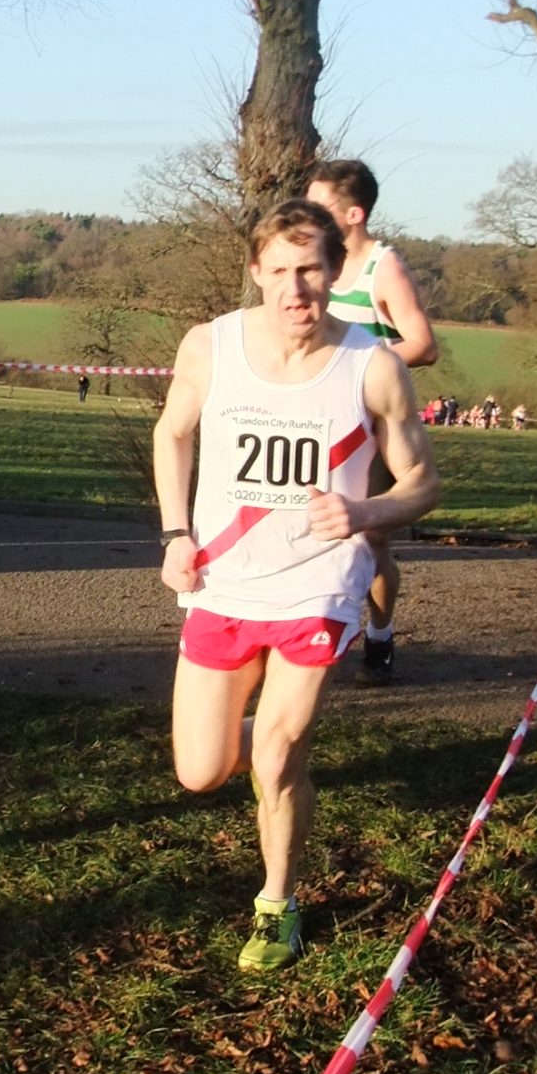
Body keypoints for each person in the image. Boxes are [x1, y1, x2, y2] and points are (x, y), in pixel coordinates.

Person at [154, 199, 439, 974]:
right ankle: (263, 732)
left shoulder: (372, 366)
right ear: (257, 271)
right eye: (278, 269)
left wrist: (364, 512)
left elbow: (422, 483)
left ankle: (277, 903)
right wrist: (175, 534)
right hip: (223, 581)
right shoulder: (211, 346)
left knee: (277, 758)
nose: (295, 287)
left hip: (319, 586)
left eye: (310, 269)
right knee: (200, 770)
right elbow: (172, 432)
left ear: (336, 270)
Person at [305, 160, 438, 684]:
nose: (309, 213)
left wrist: (359, 366)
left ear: (354, 214)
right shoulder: (310, 263)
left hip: (371, 426)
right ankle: (301, 638)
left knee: (371, 537)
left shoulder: (383, 266)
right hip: (314, 423)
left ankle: (379, 637)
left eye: (320, 206)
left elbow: (423, 344)